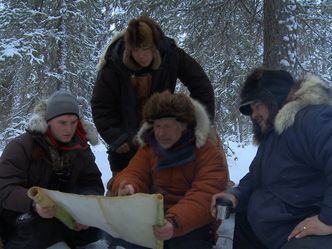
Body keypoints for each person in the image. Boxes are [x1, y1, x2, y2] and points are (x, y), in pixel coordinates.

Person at [211, 68, 332, 249]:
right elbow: (255, 176)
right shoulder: (274, 136)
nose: (253, 114)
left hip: (301, 235)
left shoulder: (309, 118)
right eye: (251, 109)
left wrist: (327, 219)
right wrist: (236, 195)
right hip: (271, 231)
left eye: (257, 105)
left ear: (274, 96)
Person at [91, 15, 216, 176]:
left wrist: (195, 124)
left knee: (168, 190)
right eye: (136, 50)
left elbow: (202, 87)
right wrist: (117, 137)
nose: (141, 56)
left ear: (155, 46)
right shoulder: (113, 65)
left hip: (163, 140)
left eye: (145, 49)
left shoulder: (171, 55)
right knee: (124, 190)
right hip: (126, 147)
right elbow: (101, 106)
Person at [109, 90, 228, 249]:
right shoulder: (149, 149)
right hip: (154, 218)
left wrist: (173, 222)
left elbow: (205, 195)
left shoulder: (208, 153)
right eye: (157, 126)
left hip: (190, 223)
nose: (160, 133)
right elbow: (134, 172)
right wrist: (129, 186)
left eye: (167, 126)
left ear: (184, 125)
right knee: (118, 237)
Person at [0, 90, 105, 249]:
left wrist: (84, 213)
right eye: (62, 123)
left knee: (96, 229)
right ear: (48, 122)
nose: (69, 129)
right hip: (21, 215)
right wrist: (34, 204)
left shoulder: (81, 149)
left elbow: (92, 183)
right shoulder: (22, 146)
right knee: (41, 230)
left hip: (63, 216)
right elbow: (4, 188)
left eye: (73, 122)